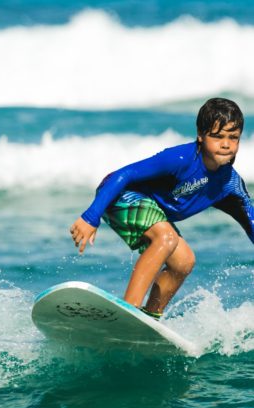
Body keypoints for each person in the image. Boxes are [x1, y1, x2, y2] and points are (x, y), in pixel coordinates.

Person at [70, 97, 254, 319]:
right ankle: (130, 311)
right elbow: (123, 174)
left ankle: (150, 318)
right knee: (166, 238)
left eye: (233, 138)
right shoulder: (180, 158)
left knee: (184, 261)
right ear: (201, 135)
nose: (226, 144)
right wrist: (91, 217)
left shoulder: (230, 184)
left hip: (153, 209)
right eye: (217, 137)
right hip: (119, 194)